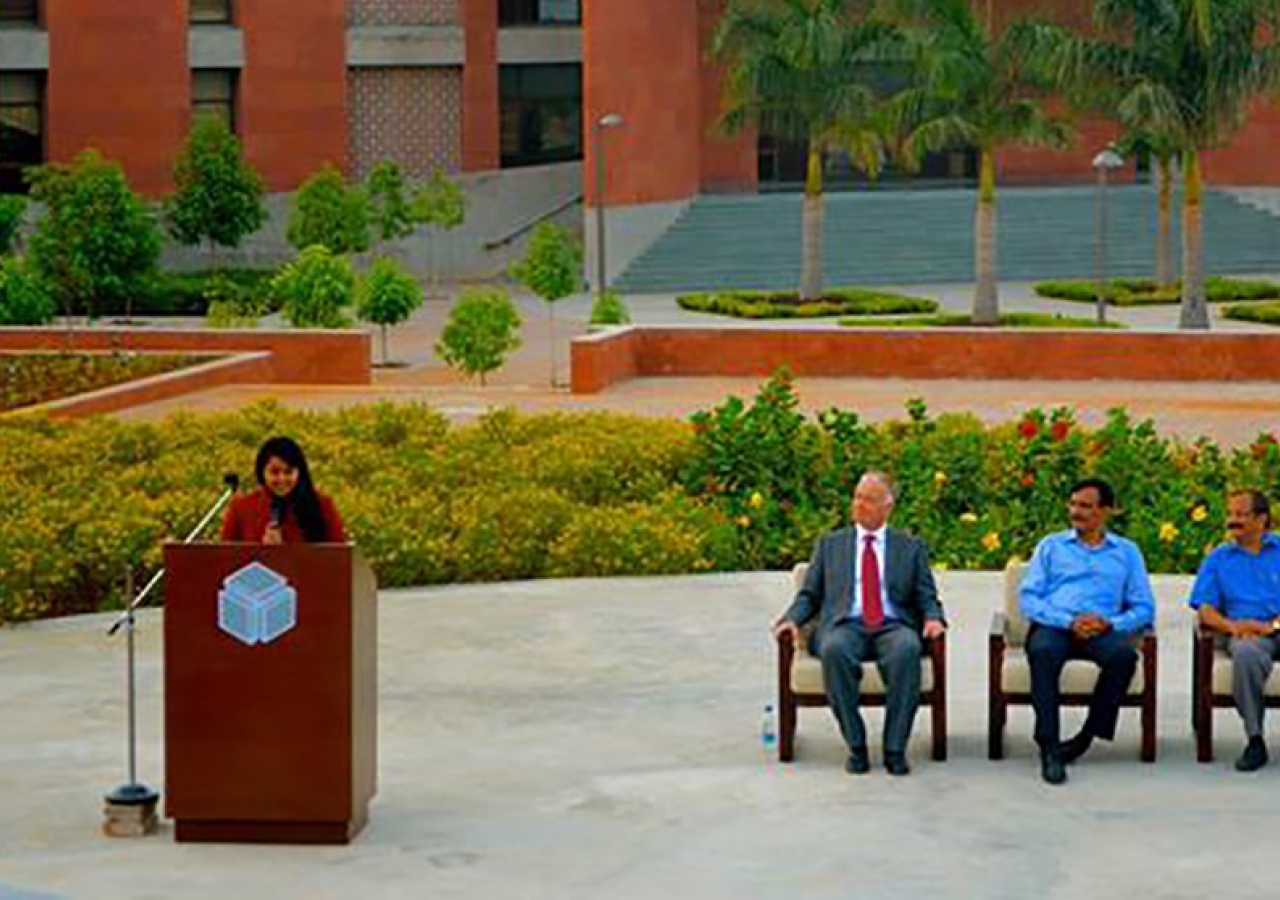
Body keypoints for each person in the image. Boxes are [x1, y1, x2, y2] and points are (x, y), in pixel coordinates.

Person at [773, 472, 946, 776]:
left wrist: (933, 618)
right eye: (856, 497)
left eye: (867, 499)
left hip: (892, 625)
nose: (858, 504)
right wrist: (791, 620)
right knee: (834, 649)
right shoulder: (830, 545)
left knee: (907, 649)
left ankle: (895, 748)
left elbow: (926, 594)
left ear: (887, 506)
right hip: (845, 624)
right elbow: (810, 595)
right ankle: (856, 745)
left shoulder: (910, 546)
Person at [1019, 478, 1154, 785]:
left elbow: (1144, 607)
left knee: (1123, 658)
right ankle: (1049, 746)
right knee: (1042, 651)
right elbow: (1029, 597)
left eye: (1086, 506)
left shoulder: (1127, 552)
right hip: (1057, 624)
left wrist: (1111, 624)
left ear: (1106, 511)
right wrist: (1068, 621)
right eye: (1073, 504)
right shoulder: (1051, 546)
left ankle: (1085, 737)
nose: (1076, 512)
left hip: (1102, 626)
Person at [1189, 489, 1280, 772]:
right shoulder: (1219, 559)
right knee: (1247, 655)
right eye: (1231, 514)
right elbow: (1204, 609)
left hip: (1276, 624)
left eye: (1241, 514)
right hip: (1244, 634)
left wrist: (1273, 625)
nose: (1233, 520)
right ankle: (1255, 739)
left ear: (1261, 519)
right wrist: (1234, 627)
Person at [221, 436, 345, 545]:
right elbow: (226, 558)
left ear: (299, 472)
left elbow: (338, 558)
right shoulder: (241, 508)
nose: (282, 479)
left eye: (288, 472)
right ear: (262, 473)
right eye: (274, 472)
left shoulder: (322, 505)